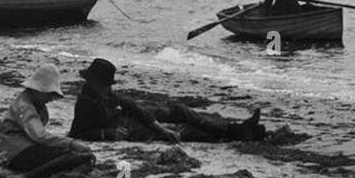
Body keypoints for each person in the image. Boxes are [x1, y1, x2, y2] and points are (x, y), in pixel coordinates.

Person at [70, 58, 265, 143]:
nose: (110, 88)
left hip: (131, 118)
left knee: (180, 111)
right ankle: (235, 133)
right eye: (106, 84)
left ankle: (234, 129)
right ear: (95, 82)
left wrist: (160, 126)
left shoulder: (106, 93)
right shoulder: (85, 103)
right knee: (185, 131)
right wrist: (107, 133)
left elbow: (133, 106)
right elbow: (77, 133)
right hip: (126, 129)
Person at [0, 65, 96, 178]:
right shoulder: (25, 106)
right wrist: (71, 143)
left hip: (20, 151)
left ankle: (59, 176)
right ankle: (27, 177)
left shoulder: (31, 102)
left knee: (80, 158)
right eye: (49, 94)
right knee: (77, 157)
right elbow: (39, 136)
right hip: (21, 153)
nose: (51, 98)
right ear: (39, 90)